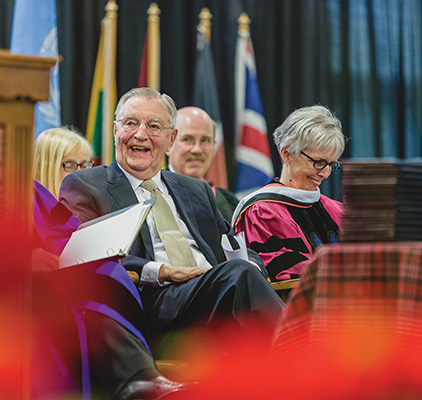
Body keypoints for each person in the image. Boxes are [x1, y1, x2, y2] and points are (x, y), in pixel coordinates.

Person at [59, 87, 284, 344]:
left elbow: (231, 244)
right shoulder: (87, 186)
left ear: (171, 139)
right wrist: (164, 272)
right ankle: (303, 358)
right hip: (151, 303)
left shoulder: (194, 189)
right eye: (130, 123)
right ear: (114, 131)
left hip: (212, 292)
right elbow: (86, 258)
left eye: (154, 126)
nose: (140, 134)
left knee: (246, 274)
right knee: (239, 276)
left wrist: (253, 264)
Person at [32, 127, 191, 399]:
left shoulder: (32, 192)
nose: (81, 172)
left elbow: (65, 231)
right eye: (71, 165)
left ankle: (140, 378)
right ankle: (137, 380)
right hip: (27, 289)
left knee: (102, 273)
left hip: (59, 271)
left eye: (86, 164)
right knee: (83, 296)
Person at [232, 105, 346, 282]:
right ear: (287, 154)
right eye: (318, 162)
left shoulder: (338, 210)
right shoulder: (262, 213)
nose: (325, 173)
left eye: (331, 165)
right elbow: (283, 273)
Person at [167, 106, 238, 221]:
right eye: (187, 139)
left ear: (214, 145)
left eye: (205, 140)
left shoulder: (228, 204)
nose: (197, 150)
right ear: (168, 144)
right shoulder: (153, 195)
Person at [33, 127, 94, 199]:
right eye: (70, 166)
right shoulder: (27, 206)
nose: (80, 174)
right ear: (44, 168)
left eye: (84, 166)